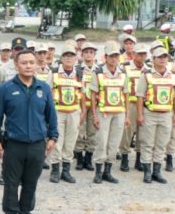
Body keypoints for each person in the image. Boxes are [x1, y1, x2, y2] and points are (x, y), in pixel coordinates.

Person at [0, 49, 58, 214]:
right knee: (11, 183)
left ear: (36, 65)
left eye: (31, 63)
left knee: (30, 183)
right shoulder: (6, 89)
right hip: (14, 144)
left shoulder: (43, 89)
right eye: (24, 63)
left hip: (37, 144)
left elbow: (51, 115)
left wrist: (53, 137)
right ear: (16, 65)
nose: (28, 66)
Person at [135, 44, 175, 184]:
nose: (162, 59)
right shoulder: (146, 74)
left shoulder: (173, 75)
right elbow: (140, 96)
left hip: (166, 114)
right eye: (159, 57)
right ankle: (147, 172)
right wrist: (140, 115)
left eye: (165, 56)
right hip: (150, 113)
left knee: (161, 144)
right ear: (153, 59)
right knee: (147, 143)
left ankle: (157, 172)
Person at [90, 42, 128, 184]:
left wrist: (128, 116)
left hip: (119, 112)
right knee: (101, 142)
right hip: (103, 112)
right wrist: (94, 115)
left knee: (114, 143)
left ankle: (108, 172)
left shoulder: (123, 73)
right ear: (105, 57)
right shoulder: (98, 72)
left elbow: (126, 94)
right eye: (111, 56)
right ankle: (98, 172)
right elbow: (93, 95)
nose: (114, 59)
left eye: (116, 56)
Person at [49, 42, 85, 184]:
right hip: (58, 112)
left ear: (76, 58)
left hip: (74, 112)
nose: (69, 58)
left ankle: (66, 170)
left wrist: (82, 113)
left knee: (70, 142)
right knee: (57, 141)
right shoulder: (54, 72)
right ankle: (55, 170)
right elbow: (47, 93)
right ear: (61, 58)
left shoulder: (79, 74)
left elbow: (83, 94)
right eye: (66, 55)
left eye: (71, 56)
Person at [119, 45, 150, 172]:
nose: (142, 56)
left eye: (144, 54)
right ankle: (124, 157)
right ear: (134, 54)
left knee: (142, 132)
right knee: (128, 131)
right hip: (130, 103)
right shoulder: (125, 67)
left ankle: (139, 159)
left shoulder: (149, 69)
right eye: (139, 54)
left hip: (144, 104)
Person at [74, 41, 101, 172]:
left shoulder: (100, 69)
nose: (89, 55)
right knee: (79, 130)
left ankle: (88, 158)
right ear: (82, 54)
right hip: (81, 104)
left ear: (95, 54)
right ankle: (79, 157)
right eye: (86, 52)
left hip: (95, 106)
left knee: (93, 131)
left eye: (91, 52)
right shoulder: (77, 69)